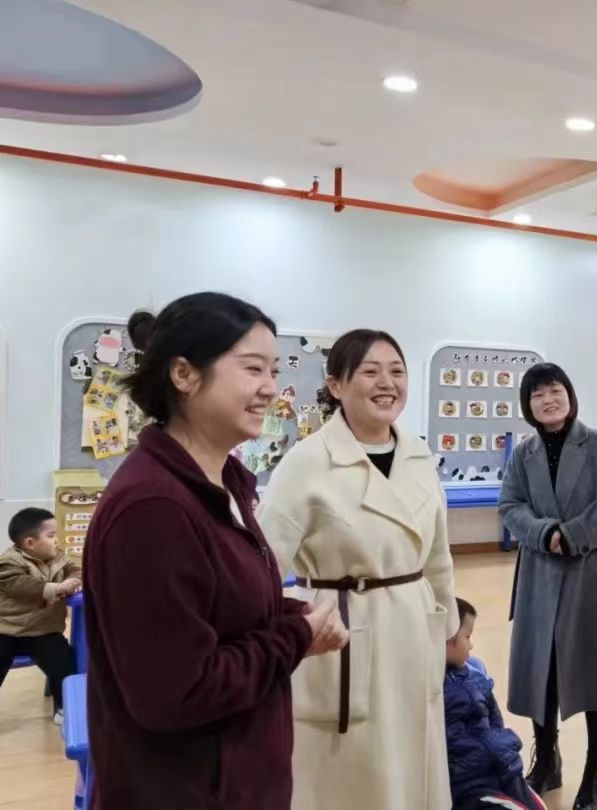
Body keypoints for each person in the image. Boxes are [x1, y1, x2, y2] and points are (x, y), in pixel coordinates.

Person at [84, 293, 348, 810]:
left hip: (239, 776)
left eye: (273, 370)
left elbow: (218, 608)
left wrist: (290, 615)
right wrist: (295, 635)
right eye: (252, 368)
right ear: (183, 374)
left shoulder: (224, 481)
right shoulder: (154, 508)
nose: (270, 387)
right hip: (188, 789)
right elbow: (177, 692)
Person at [259, 328, 459, 810]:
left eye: (396, 372)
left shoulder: (418, 456)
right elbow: (261, 565)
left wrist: (448, 629)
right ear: (336, 385)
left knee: (412, 764)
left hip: (412, 628)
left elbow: (437, 556)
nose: (386, 383)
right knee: (351, 775)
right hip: (342, 634)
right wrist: (285, 631)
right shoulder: (307, 462)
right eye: (370, 372)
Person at [498, 363, 597, 810]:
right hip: (539, 577)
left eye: (555, 390)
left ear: (569, 396)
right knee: (543, 674)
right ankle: (548, 760)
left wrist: (573, 534)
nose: (548, 400)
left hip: (589, 575)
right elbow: (509, 504)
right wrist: (544, 534)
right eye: (537, 395)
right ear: (528, 405)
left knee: (592, 676)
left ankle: (596, 774)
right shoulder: (524, 453)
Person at [444, 598, 546, 810]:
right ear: (448, 637)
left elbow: (494, 718)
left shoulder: (475, 672)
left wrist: (502, 750)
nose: (471, 645)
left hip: (504, 769)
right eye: (467, 637)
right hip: (472, 784)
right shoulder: (435, 687)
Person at [0, 508, 80, 723]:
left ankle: (64, 707)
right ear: (30, 543)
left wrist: (74, 580)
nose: (57, 540)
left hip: (43, 631)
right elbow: (21, 585)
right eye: (51, 535)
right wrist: (56, 588)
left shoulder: (59, 557)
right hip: (7, 631)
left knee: (63, 664)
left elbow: (75, 569)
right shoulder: (8, 562)